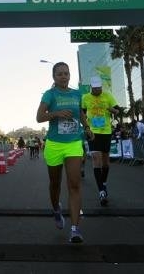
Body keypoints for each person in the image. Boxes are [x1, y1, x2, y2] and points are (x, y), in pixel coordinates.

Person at [36, 62, 92, 243]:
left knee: (74, 184)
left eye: (66, 73)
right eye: (59, 74)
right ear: (54, 77)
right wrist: (56, 113)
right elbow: (39, 117)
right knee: (55, 183)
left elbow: (81, 114)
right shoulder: (50, 94)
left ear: (69, 75)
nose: (63, 76)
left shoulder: (77, 94)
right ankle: (56, 209)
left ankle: (75, 229)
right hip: (54, 144)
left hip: (74, 143)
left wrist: (87, 127)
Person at [81, 76, 120, 207]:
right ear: (91, 87)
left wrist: (112, 110)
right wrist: (86, 127)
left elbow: (117, 110)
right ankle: (101, 192)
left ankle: (103, 183)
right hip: (93, 132)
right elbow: (82, 113)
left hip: (106, 132)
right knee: (96, 159)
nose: (98, 90)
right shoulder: (85, 98)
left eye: (99, 88)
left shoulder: (108, 96)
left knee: (106, 162)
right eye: (95, 88)